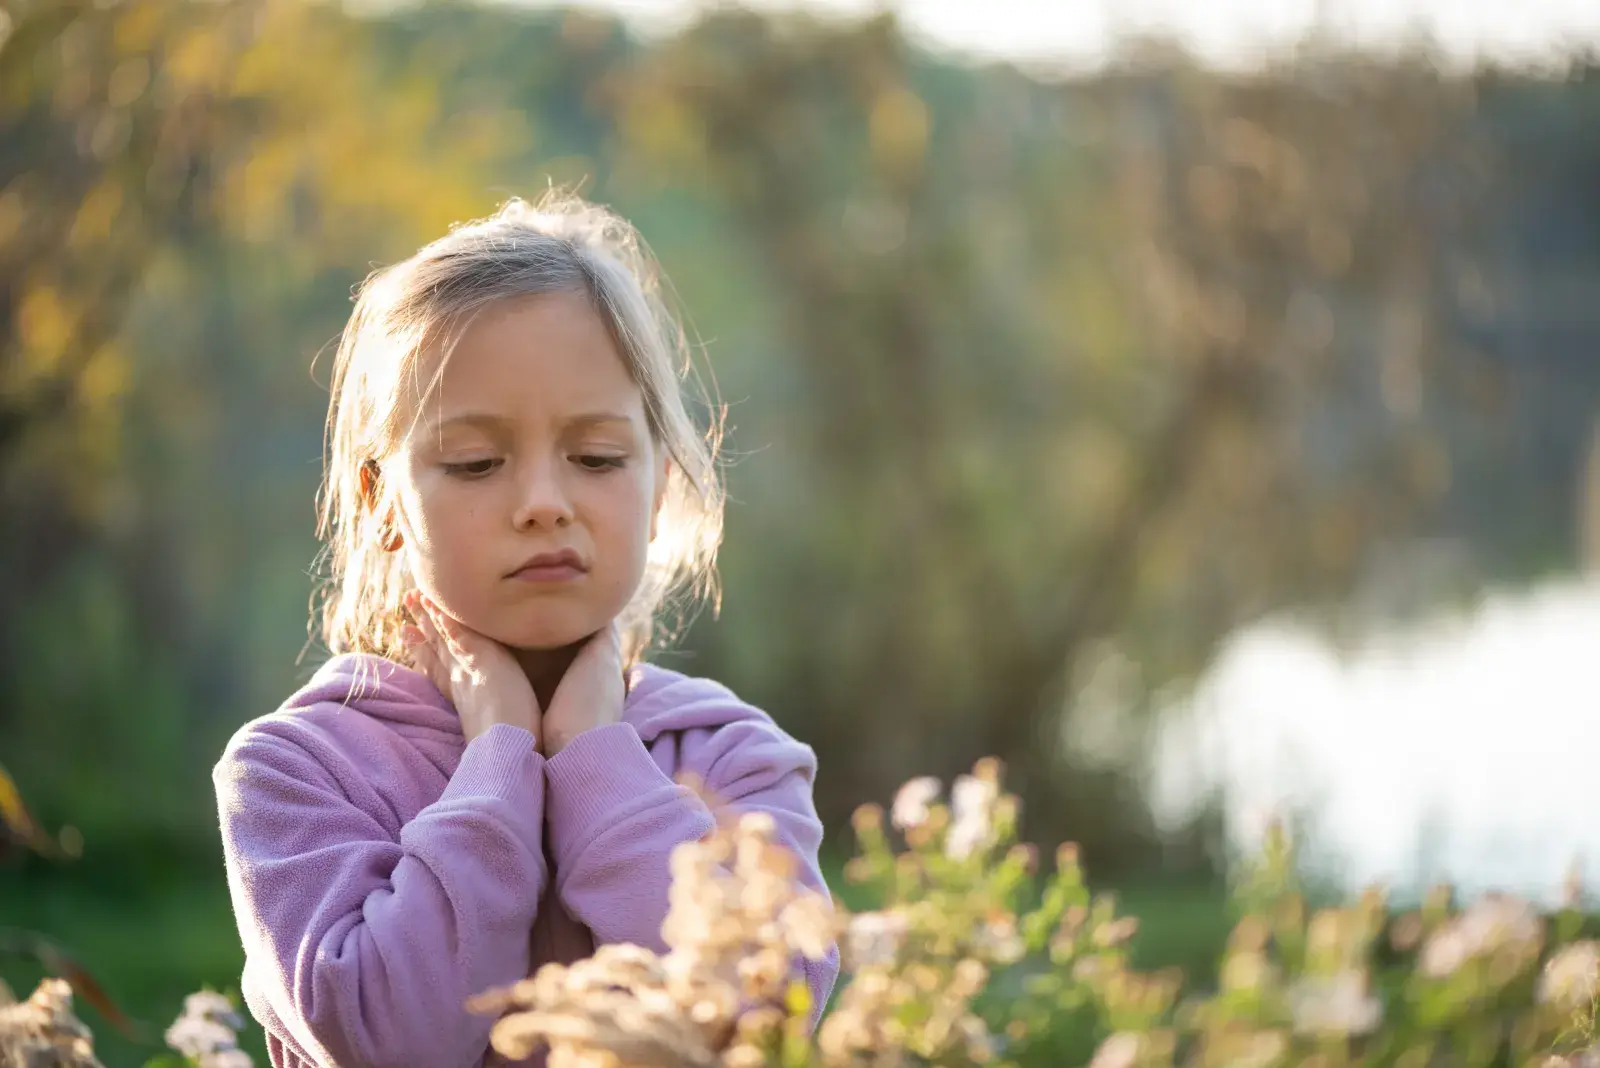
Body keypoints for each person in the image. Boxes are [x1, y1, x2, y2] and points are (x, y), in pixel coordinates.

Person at [212, 193, 839, 1068]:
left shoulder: (734, 759)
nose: (544, 503)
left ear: (660, 485)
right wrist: (497, 760)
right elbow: (388, 1042)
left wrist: (594, 758)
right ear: (380, 500)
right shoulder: (298, 771)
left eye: (596, 458)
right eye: (476, 463)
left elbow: (764, 1028)